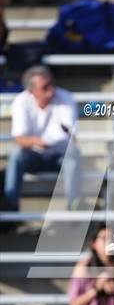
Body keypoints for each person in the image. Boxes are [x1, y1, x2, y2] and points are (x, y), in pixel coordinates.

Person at [3, 65, 82, 212]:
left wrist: (39, 141)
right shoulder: (21, 101)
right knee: (16, 155)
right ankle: (11, 206)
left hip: (60, 156)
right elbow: (19, 139)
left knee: (72, 154)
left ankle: (74, 207)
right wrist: (37, 142)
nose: (51, 90)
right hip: (33, 156)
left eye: (52, 84)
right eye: (45, 87)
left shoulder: (65, 97)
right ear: (31, 91)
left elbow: (71, 133)